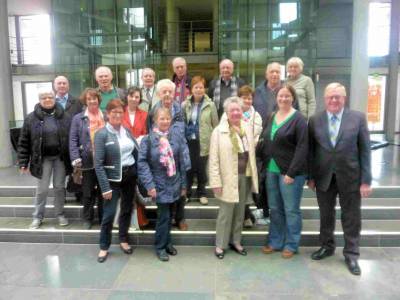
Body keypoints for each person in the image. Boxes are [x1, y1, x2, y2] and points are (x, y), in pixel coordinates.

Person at [308, 83, 372, 276]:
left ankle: (351, 253)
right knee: (326, 215)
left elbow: (365, 150)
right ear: (325, 99)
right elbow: (311, 151)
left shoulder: (358, 118)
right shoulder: (314, 120)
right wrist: (310, 176)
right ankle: (327, 246)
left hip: (350, 176)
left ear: (344, 98)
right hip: (323, 176)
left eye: (338, 97)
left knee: (351, 217)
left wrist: (366, 180)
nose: (334, 100)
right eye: (330, 97)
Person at [258, 84, 308, 259]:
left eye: (287, 96)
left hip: (290, 173)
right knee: (275, 208)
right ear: (276, 97)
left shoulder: (299, 119)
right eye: (280, 96)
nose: (283, 99)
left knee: (291, 209)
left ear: (292, 98)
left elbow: (303, 148)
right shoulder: (272, 116)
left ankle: (291, 244)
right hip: (271, 170)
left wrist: (292, 173)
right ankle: (275, 241)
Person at [137, 107, 190, 261]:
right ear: (155, 120)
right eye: (162, 118)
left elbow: (181, 163)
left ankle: (167, 243)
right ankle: (160, 246)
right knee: (163, 217)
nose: (165, 121)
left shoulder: (176, 137)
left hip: (174, 183)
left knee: (171, 215)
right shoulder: (148, 139)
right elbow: (142, 164)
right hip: (158, 184)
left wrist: (184, 185)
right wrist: (150, 185)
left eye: (167, 118)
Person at [209, 96, 258, 259]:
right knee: (225, 214)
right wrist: (215, 181)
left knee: (239, 213)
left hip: (244, 176)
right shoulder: (219, 131)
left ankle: (236, 241)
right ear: (226, 112)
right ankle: (220, 245)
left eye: (238, 109)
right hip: (227, 178)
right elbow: (214, 159)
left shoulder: (246, 128)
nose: (236, 113)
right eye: (232, 110)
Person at [18, 89, 71, 229]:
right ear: (39, 100)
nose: (47, 100)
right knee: (42, 189)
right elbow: (24, 141)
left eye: (50, 97)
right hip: (42, 159)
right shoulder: (31, 118)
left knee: (60, 187)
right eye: (43, 97)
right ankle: (37, 217)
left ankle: (60, 214)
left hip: (60, 158)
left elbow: (72, 139)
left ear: (55, 99)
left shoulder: (65, 116)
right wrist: (23, 161)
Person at [94, 99, 139, 263]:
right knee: (109, 214)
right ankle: (104, 246)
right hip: (112, 180)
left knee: (127, 210)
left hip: (130, 177)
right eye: (114, 112)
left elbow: (135, 151)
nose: (118, 115)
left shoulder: (126, 131)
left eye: (120, 112)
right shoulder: (101, 134)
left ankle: (123, 239)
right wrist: (105, 188)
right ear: (108, 114)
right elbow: (97, 164)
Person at [69, 88, 105, 229]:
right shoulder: (78, 118)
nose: (92, 101)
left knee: (104, 191)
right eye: (89, 99)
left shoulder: (106, 116)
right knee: (88, 192)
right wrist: (75, 157)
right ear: (85, 101)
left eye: (94, 98)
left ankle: (104, 219)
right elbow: (73, 140)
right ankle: (88, 218)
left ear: (98, 100)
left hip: (104, 161)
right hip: (86, 161)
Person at [182, 76, 219, 205]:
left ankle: (202, 193)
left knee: (202, 169)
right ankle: (187, 193)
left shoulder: (211, 105)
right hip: (189, 142)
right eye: (196, 87)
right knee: (189, 169)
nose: (199, 89)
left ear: (205, 89)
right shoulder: (185, 104)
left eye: (201, 87)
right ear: (191, 89)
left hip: (204, 141)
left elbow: (215, 125)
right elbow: (182, 123)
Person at [122, 86, 149, 228]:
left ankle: (140, 219)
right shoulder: (120, 113)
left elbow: (147, 133)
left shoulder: (145, 114)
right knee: (126, 188)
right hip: (124, 155)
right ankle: (125, 220)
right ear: (127, 97)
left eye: (137, 97)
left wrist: (140, 140)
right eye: (131, 96)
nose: (134, 99)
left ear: (140, 99)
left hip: (140, 153)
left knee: (138, 185)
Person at [54, 75, 83, 202]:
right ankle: (60, 198)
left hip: (73, 142)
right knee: (59, 174)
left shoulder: (77, 102)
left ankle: (78, 194)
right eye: (59, 83)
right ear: (55, 86)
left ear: (68, 85)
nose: (61, 86)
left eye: (64, 83)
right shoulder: (50, 102)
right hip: (56, 144)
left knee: (75, 169)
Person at [237, 85, 264, 228]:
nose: (247, 100)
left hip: (250, 157)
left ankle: (246, 215)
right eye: (244, 98)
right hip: (235, 157)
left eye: (249, 98)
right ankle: (241, 216)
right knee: (237, 187)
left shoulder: (256, 116)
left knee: (247, 187)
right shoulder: (233, 113)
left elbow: (256, 135)